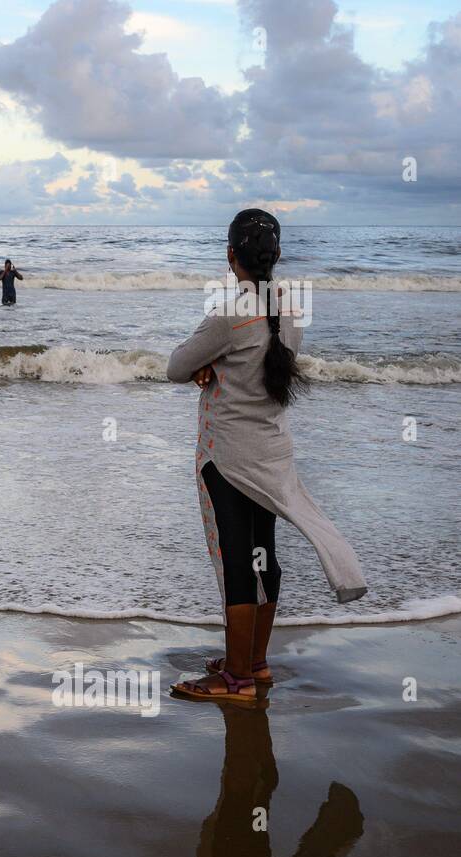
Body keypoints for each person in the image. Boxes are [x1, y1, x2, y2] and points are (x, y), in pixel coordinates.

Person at [167, 209, 367, 703]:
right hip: (273, 452)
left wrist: (206, 366)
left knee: (236, 560)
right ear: (274, 257)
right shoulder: (290, 309)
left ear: (231, 255)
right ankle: (255, 663)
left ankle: (234, 680)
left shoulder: (229, 313)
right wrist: (214, 366)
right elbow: (267, 367)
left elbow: (175, 366)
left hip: (229, 457)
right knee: (262, 556)